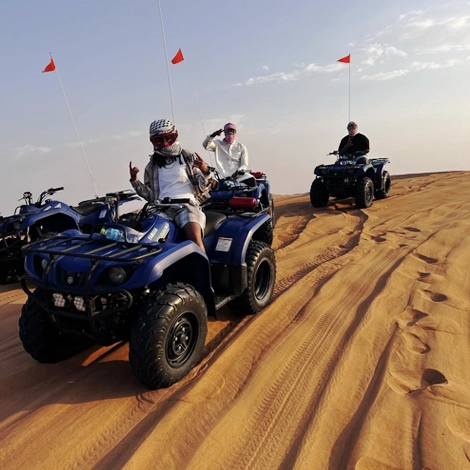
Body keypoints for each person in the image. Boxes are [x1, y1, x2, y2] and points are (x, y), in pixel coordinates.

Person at [129, 118, 212, 252]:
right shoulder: (151, 166)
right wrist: (134, 180)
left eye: (169, 138)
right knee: (143, 239)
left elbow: (203, 188)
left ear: (175, 136)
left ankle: (203, 270)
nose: (165, 144)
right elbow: (150, 195)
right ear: (153, 142)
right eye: (159, 140)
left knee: (194, 239)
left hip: (186, 207)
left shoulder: (188, 157)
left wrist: (205, 170)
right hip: (161, 208)